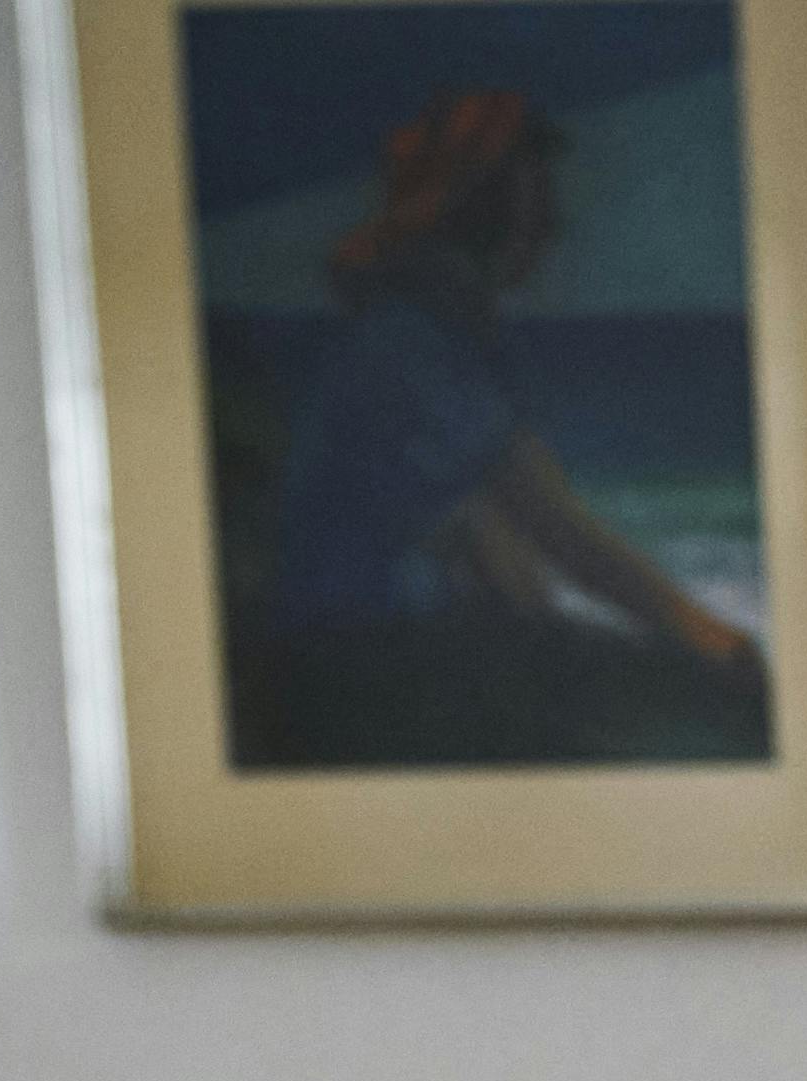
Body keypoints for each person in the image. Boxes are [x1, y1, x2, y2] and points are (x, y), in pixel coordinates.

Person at [233, 88, 770, 769]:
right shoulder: (413, 342)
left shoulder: (414, 329)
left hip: (363, 652)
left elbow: (489, 517)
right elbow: (553, 522)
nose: (554, 227)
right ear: (487, 213)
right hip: (361, 666)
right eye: (539, 202)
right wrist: (708, 636)